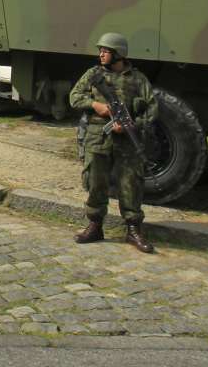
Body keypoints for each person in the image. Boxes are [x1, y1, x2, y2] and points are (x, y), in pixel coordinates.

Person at [68, 32, 157, 253]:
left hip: (127, 140)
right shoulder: (93, 74)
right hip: (98, 137)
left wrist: (132, 125)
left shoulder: (137, 79)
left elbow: (153, 108)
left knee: (131, 184)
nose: (101, 54)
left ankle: (133, 229)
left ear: (119, 54)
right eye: (101, 50)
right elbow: (74, 96)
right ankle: (95, 225)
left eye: (106, 51)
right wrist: (95, 105)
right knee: (96, 183)